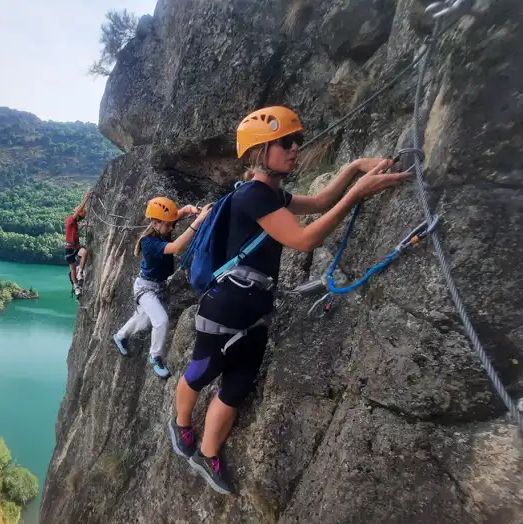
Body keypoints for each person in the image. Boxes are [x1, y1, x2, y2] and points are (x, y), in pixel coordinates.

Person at [169, 106, 411, 494]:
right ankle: (182, 424)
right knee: (201, 370)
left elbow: (316, 204)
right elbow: (303, 240)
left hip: (254, 308)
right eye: (286, 142)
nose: (295, 147)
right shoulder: (252, 197)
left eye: (296, 140)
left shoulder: (270, 193)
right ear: (261, 150)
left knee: (236, 386)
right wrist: (356, 195)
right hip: (227, 305)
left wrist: (352, 172)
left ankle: (207, 452)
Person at [112, 197, 212, 378]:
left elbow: (176, 216)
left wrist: (190, 209)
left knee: (143, 320)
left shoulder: (162, 226)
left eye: (171, 225)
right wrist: (198, 221)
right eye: (168, 226)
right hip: (146, 289)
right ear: (156, 223)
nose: (172, 228)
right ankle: (155, 356)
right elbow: (175, 247)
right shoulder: (148, 243)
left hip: (156, 287)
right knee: (161, 320)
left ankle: (120, 336)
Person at [65, 192, 90, 297]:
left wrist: (82, 227)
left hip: (74, 246)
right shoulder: (71, 221)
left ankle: (80, 273)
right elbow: (80, 209)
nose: (75, 210)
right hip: (70, 248)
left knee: (84, 253)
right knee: (73, 268)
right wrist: (86, 198)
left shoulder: (73, 222)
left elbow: (75, 233)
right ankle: (76, 286)